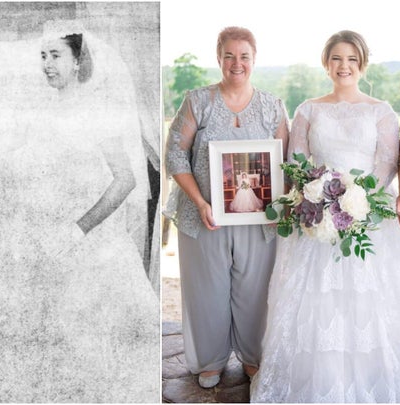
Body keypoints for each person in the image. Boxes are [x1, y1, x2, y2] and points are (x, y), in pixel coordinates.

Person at [0, 22, 159, 402]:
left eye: (56, 55)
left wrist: (78, 229)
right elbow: (37, 168)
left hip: (87, 241)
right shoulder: (42, 109)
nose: (47, 64)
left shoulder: (98, 109)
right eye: (43, 56)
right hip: (42, 237)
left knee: (90, 346)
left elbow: (125, 181)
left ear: (78, 60)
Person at [250, 30, 400, 402]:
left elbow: (386, 163)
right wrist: (319, 198)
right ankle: (319, 380)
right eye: (336, 58)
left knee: (371, 298)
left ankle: (374, 374)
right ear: (326, 63)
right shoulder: (308, 110)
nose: (343, 66)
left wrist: (357, 197)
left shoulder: (380, 110)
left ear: (362, 64)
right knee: (319, 300)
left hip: (368, 216)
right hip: (316, 218)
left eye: (351, 59)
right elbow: (297, 163)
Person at [165, 26, 290, 388]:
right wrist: (201, 202)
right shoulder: (197, 101)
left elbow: (285, 161)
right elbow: (176, 153)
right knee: (207, 289)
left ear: (254, 59)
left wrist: (280, 201)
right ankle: (210, 361)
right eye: (229, 55)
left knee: (254, 290)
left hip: (258, 218)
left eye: (244, 56)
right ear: (219, 58)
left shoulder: (273, 106)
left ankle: (253, 357)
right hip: (202, 215)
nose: (237, 63)